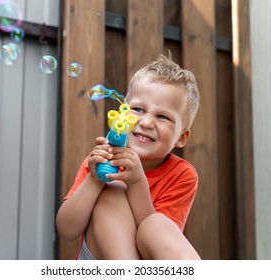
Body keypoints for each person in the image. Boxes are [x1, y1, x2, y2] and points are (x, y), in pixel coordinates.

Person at [56, 53, 201, 260]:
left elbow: (150, 236)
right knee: (111, 188)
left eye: (162, 116)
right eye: (138, 109)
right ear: (122, 113)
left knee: (157, 223)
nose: (147, 122)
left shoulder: (182, 175)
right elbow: (67, 229)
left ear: (181, 137)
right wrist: (94, 180)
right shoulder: (102, 159)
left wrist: (137, 181)